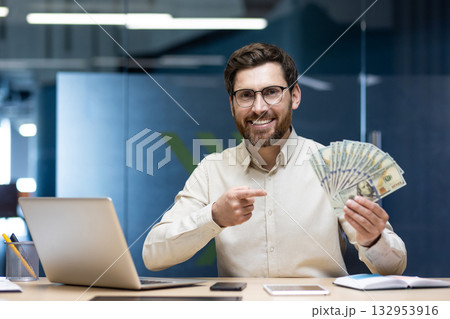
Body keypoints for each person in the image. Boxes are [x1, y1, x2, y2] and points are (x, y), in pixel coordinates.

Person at [142, 43, 407, 277]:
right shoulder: (212, 170)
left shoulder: (337, 168)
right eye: (246, 95)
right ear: (232, 104)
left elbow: (393, 268)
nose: (258, 107)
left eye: (271, 92)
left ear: (294, 96)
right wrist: (213, 217)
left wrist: (374, 240)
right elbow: (153, 255)